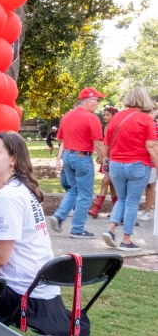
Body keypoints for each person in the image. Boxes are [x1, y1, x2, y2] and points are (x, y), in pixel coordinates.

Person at [0, 131, 89, 336]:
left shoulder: (10, 197)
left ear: (13, 159)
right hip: (40, 288)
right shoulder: (21, 190)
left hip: (22, 294)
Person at [101, 87, 158, 251]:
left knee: (122, 199)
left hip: (116, 165)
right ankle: (126, 240)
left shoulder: (116, 117)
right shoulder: (146, 119)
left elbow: (106, 144)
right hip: (137, 165)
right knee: (132, 202)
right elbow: (151, 145)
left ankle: (110, 229)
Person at [48, 87, 106, 239]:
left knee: (73, 190)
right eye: (97, 100)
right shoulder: (91, 118)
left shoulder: (68, 115)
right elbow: (99, 144)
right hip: (82, 157)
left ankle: (59, 216)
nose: (98, 103)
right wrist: (105, 160)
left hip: (67, 156)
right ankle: (78, 229)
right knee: (85, 194)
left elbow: (60, 137)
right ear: (88, 101)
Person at [88, 107, 118, 218]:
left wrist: (105, 157)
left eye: (108, 115)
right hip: (107, 158)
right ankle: (117, 211)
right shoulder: (105, 127)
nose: (105, 117)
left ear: (114, 116)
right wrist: (101, 156)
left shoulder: (115, 127)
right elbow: (103, 144)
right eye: (104, 115)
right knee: (112, 185)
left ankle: (96, 208)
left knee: (105, 182)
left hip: (113, 158)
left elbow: (109, 144)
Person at [138, 100, 158, 222]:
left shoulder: (156, 126)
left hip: (153, 162)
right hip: (141, 161)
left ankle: (148, 211)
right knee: (143, 187)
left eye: (151, 111)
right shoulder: (141, 125)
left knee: (151, 187)